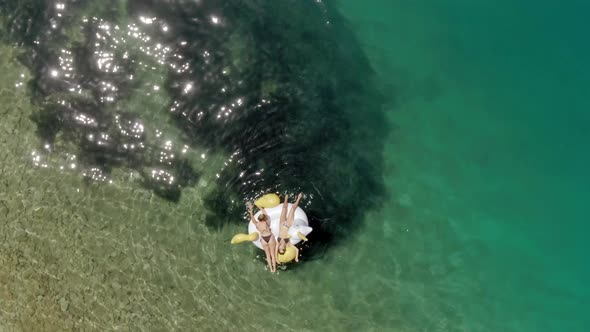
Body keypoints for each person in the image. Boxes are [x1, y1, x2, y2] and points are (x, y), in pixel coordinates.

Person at [247, 202, 277, 272]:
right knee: (272, 254)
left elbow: (252, 219)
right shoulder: (266, 222)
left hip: (263, 239)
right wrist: (259, 207)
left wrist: (251, 211)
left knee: (268, 255)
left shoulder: (257, 224)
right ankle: (275, 268)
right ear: (264, 218)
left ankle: (271, 269)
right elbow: (265, 213)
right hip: (270, 237)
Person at [275, 193, 303, 262]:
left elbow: (275, 253)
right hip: (288, 224)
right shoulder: (288, 244)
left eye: (280, 249)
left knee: (284, 208)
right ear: (285, 249)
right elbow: (297, 249)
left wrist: (277, 260)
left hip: (281, 224)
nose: (281, 248)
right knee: (293, 208)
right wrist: (296, 257)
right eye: (283, 250)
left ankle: (286, 198)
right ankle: (299, 197)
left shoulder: (278, 242)